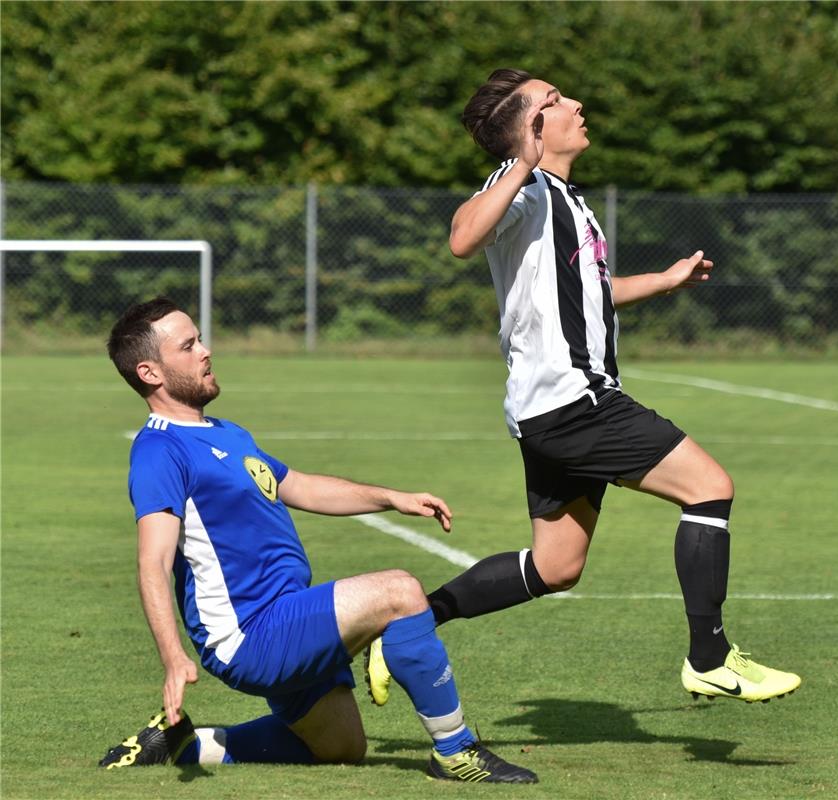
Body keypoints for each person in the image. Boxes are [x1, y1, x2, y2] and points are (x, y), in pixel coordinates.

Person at [365, 68, 801, 707]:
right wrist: (518, 163)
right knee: (710, 488)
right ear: (531, 128)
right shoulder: (524, 188)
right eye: (554, 100)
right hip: (574, 401)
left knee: (555, 567)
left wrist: (663, 281)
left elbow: (589, 295)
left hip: (552, 408)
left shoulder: (566, 202)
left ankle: (409, 625)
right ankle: (709, 656)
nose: (575, 104)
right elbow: (462, 236)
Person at [98, 297, 537, 784]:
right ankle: (455, 752)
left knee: (340, 748)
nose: (206, 351)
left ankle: (186, 744)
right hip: (250, 635)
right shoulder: (160, 450)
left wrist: (391, 496)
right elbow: (153, 561)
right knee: (399, 591)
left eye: (200, 339)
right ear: (150, 372)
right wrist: (172, 657)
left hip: (289, 612)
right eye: (188, 345)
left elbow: (299, 486)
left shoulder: (225, 432)